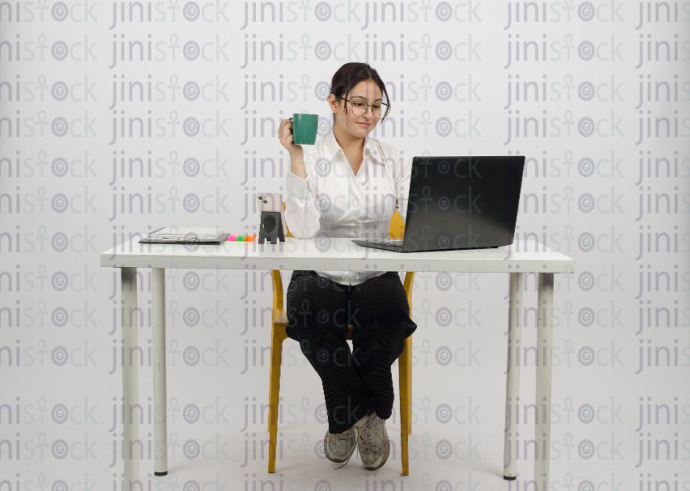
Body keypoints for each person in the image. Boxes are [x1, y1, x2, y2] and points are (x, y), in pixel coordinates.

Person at [276, 62, 417, 471]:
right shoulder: (312, 157)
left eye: (377, 106)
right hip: (319, 274)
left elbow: (417, 219)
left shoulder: (392, 160)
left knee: (389, 311)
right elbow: (301, 231)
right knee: (309, 307)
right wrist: (296, 158)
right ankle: (362, 412)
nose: (367, 114)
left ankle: (345, 415)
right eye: (358, 103)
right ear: (334, 103)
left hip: (375, 272)